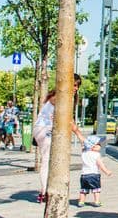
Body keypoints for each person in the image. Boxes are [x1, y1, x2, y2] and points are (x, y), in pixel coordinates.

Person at [33, 74, 85, 203]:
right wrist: (80, 136)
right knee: (46, 160)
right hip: (44, 130)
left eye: (77, 86)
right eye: (73, 85)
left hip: (47, 130)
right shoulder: (58, 97)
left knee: (52, 160)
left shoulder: (64, 97)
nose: (75, 88)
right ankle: (45, 192)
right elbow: (67, 119)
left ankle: (47, 190)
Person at [78, 135, 113, 208]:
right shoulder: (96, 155)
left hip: (84, 175)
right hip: (94, 175)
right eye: (98, 145)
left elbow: (83, 146)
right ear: (93, 146)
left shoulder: (84, 153)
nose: (100, 146)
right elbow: (100, 165)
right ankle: (96, 201)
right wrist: (107, 171)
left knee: (83, 190)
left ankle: (81, 202)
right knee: (96, 190)